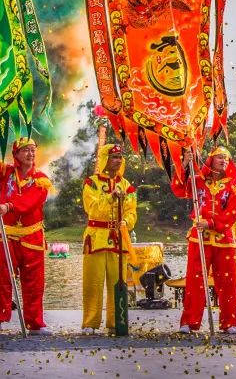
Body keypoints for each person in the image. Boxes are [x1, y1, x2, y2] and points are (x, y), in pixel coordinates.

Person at [0, 127, 52, 336]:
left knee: (34, 283)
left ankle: (35, 323)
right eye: (26, 150)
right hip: (7, 235)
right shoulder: (6, 173)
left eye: (33, 150)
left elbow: (30, 202)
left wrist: (9, 206)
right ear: (16, 154)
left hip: (32, 237)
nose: (30, 154)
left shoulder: (41, 179)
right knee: (2, 280)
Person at [171, 145, 236, 334]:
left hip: (224, 239)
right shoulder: (198, 181)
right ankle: (190, 322)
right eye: (220, 157)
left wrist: (211, 222)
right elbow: (179, 189)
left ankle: (229, 323)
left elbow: (231, 214)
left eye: (226, 158)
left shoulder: (235, 187)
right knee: (194, 280)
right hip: (199, 238)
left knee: (227, 282)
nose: (224, 161)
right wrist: (185, 164)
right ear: (211, 160)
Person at [81, 143, 137, 334]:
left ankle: (115, 322)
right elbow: (92, 209)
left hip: (118, 239)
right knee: (93, 282)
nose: (118, 160)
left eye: (120, 157)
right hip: (96, 237)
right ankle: (90, 323)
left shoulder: (127, 185)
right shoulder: (91, 183)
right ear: (105, 159)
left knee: (117, 281)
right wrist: (110, 198)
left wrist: (126, 222)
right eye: (114, 157)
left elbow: (132, 211)